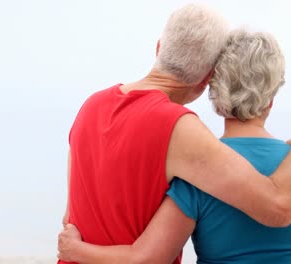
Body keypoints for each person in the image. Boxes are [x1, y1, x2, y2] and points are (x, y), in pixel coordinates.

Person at [59, 4, 291, 264]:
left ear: (159, 47)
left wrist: (75, 251)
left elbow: (70, 217)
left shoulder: (91, 106)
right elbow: (278, 206)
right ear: (207, 79)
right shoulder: (179, 128)